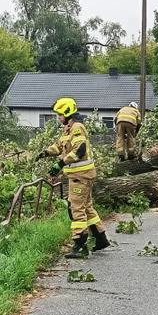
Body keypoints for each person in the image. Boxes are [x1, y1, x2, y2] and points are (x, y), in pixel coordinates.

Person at [36, 98, 111, 258]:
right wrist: (46, 152)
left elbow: (79, 150)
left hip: (80, 176)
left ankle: (80, 245)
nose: (58, 117)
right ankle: (101, 239)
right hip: (80, 176)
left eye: (59, 114)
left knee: (75, 209)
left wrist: (60, 164)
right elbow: (59, 146)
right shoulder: (68, 129)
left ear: (67, 113)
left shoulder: (77, 128)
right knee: (87, 207)